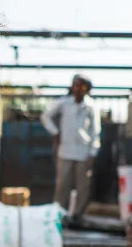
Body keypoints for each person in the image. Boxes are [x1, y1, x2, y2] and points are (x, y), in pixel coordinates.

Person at [40, 74, 100, 220]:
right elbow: (45, 116)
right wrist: (55, 133)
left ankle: (78, 216)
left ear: (87, 88)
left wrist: (93, 152)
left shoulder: (91, 106)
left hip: (84, 153)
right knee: (62, 186)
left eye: (81, 85)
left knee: (83, 188)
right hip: (65, 151)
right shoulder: (64, 103)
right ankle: (59, 216)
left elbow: (95, 131)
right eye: (75, 85)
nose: (78, 88)